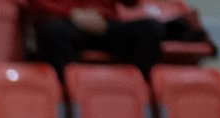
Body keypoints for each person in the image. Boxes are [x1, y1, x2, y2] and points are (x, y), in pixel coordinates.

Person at [21, 0, 165, 73]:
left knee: (150, 29)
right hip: (68, 22)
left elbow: (131, 3)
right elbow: (36, 3)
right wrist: (72, 14)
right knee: (52, 31)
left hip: (105, 24)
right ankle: (69, 94)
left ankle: (138, 91)